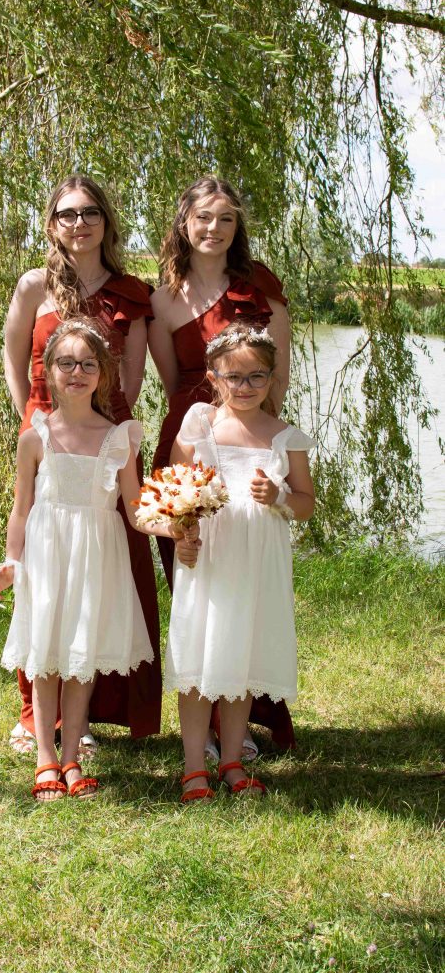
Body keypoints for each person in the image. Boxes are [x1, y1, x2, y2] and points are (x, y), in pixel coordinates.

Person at [0, 321, 196, 800]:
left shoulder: (119, 438)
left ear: (103, 373)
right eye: (66, 363)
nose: (76, 372)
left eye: (87, 363)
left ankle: (73, 758)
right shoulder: (35, 437)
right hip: (47, 556)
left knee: (79, 658)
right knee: (45, 657)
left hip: (95, 557)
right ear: (48, 370)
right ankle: (45, 756)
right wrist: (10, 562)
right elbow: (21, 510)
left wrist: (173, 525)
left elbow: (136, 509)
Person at [4, 174, 162, 754]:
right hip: (50, 429)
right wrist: (31, 414)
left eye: (90, 211)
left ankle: (95, 713)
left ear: (107, 220)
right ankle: (36, 720)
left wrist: (107, 419)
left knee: (105, 574)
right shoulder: (32, 285)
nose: (79, 222)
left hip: (106, 432)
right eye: (67, 213)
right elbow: (14, 352)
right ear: (52, 223)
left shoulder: (131, 292)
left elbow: (136, 372)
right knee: (47, 575)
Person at [148, 175, 295, 754]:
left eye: (226, 219)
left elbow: (275, 377)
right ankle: (201, 725)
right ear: (184, 223)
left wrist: (258, 447)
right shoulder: (160, 300)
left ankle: (236, 721)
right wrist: (198, 443)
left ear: (238, 228)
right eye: (203, 217)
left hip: (248, 443)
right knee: (194, 583)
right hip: (188, 445)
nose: (214, 229)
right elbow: (171, 381)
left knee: (242, 586)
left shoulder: (262, 289)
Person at [165, 323, 315, 802]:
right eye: (235, 377)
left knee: (239, 657)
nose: (245, 387)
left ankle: (231, 758)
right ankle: (194, 765)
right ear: (215, 377)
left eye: (257, 377)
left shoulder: (285, 438)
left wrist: (280, 494)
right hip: (210, 559)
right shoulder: (200, 425)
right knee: (200, 658)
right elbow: (175, 490)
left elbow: (308, 503)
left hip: (256, 563)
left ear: (273, 379)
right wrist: (182, 535)